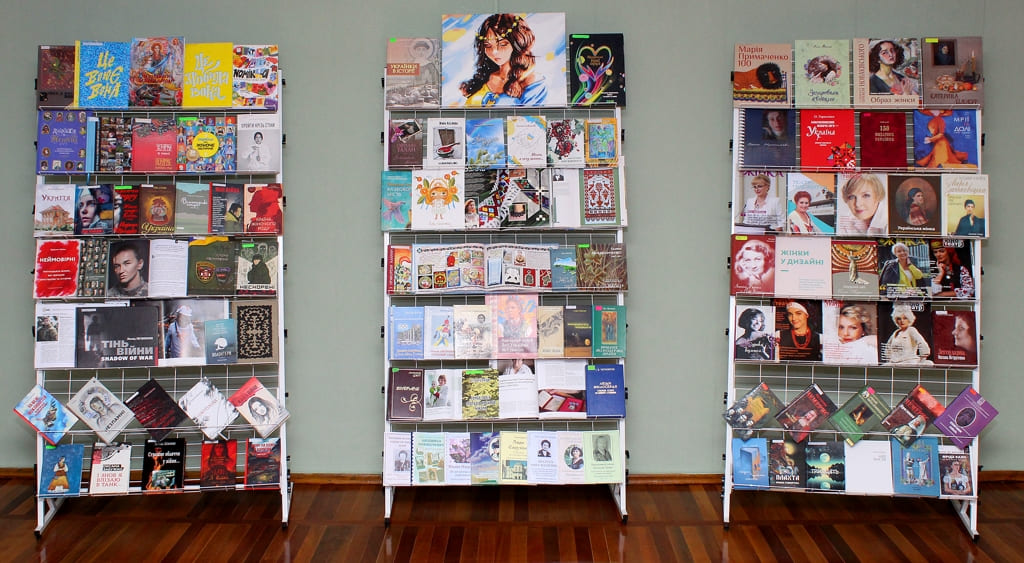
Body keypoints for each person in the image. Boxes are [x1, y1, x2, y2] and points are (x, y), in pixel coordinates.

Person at [460, 14, 548, 106]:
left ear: (517, 44)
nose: (494, 51)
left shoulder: (532, 81)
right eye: (488, 45)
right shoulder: (485, 77)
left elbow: (534, 114)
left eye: (502, 44)